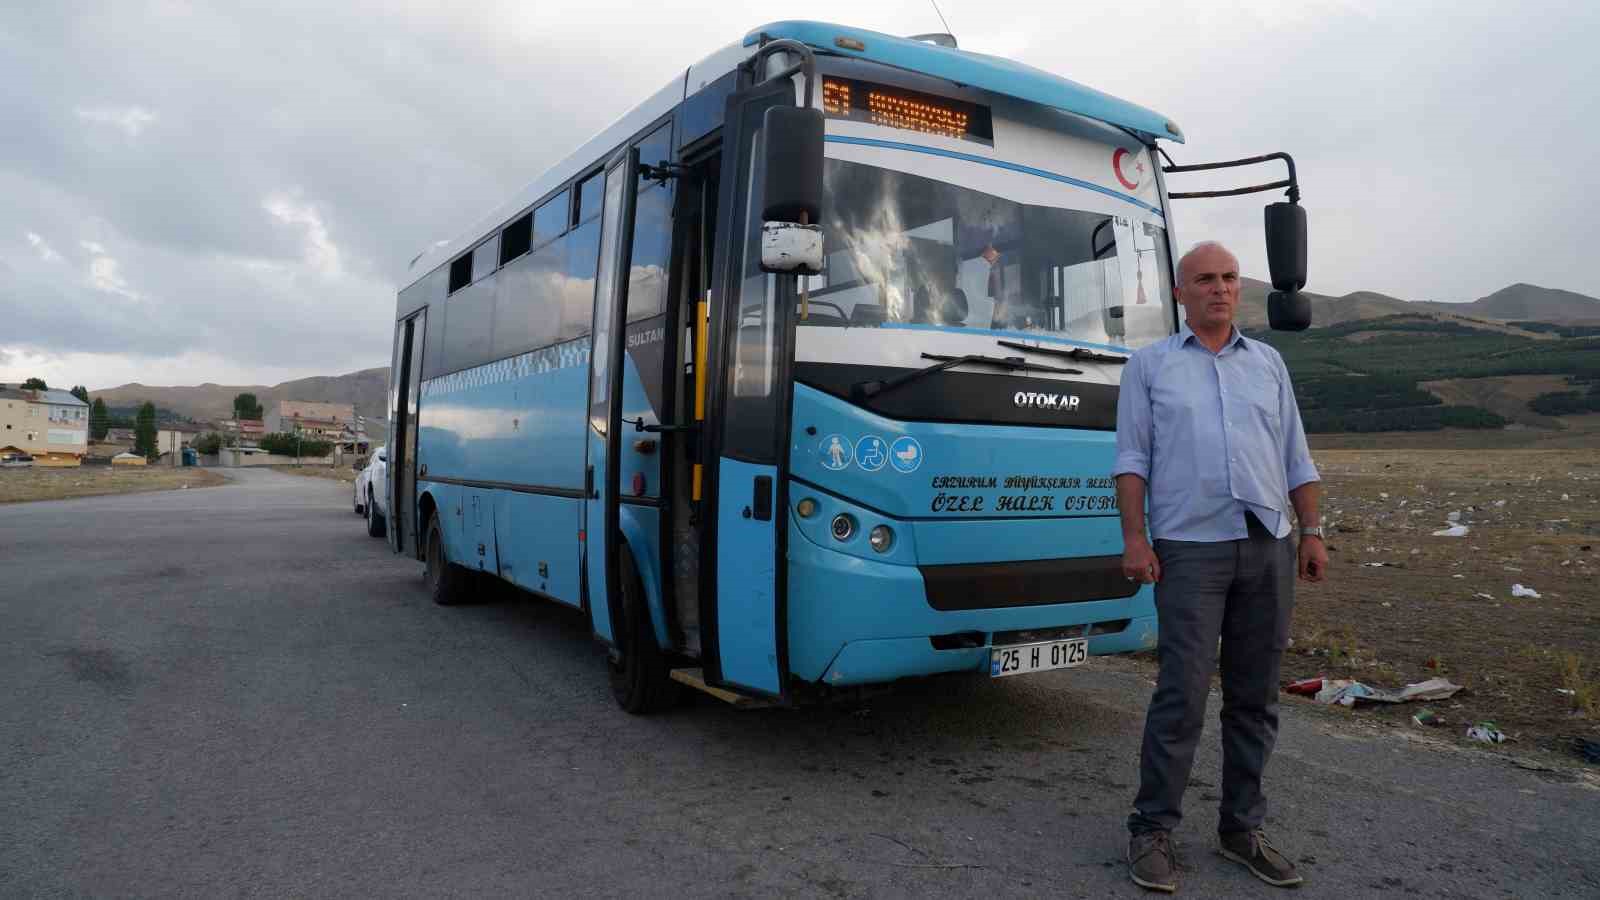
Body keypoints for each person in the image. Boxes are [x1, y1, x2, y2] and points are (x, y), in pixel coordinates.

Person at [1111, 241, 1327, 893]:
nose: (1220, 288)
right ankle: (1152, 830)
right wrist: (1134, 539)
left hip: (1267, 545)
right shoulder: (1148, 367)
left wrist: (1311, 531)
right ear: (1181, 294)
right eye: (1205, 279)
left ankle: (1241, 831)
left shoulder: (1267, 365)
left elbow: (1296, 454)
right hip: (1188, 549)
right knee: (1181, 693)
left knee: (1256, 696)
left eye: (1230, 278)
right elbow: (1131, 459)